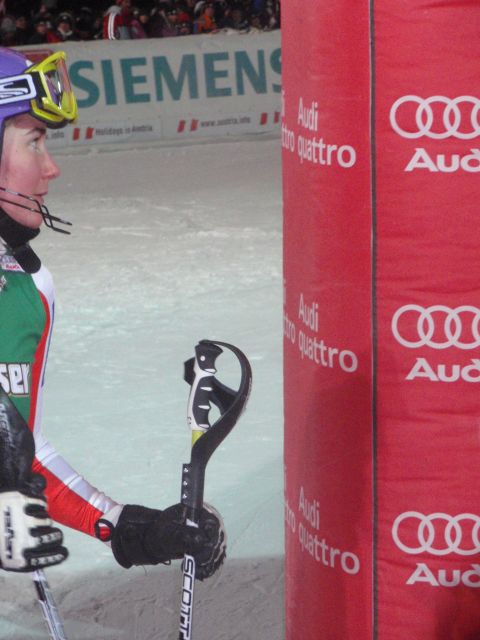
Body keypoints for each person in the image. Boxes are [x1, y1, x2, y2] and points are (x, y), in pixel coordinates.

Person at [0, 47, 226, 577]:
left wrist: (125, 526)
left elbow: (20, 453)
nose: (51, 168)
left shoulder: (28, 288)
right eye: (34, 141)